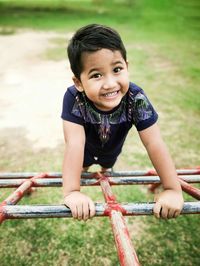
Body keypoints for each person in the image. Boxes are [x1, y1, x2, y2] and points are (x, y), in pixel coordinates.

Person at [61, 24, 184, 221]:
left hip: (112, 150)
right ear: (79, 83)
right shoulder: (74, 98)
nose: (110, 83)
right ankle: (86, 172)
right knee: (82, 168)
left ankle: (105, 168)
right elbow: (74, 143)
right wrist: (72, 191)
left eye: (117, 69)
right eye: (96, 75)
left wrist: (172, 189)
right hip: (84, 149)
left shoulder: (136, 98)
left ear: (127, 66)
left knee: (107, 167)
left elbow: (154, 142)